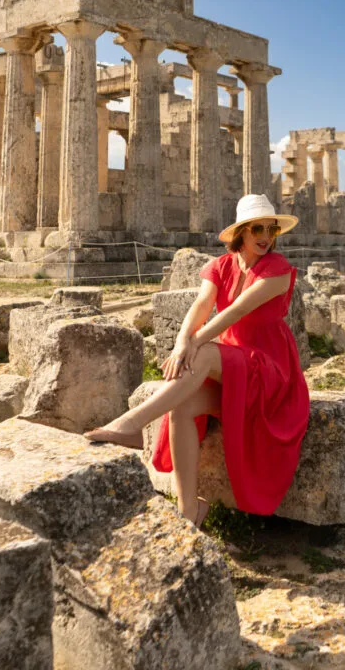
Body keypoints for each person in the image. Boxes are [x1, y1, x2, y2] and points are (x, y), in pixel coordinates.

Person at [85, 194, 310, 529]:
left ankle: (133, 424)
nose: (266, 236)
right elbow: (202, 305)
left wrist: (196, 342)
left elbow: (236, 311)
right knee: (182, 407)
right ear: (242, 233)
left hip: (270, 369)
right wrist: (180, 343)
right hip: (233, 365)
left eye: (271, 229)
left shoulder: (277, 270)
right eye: (257, 229)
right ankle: (190, 509)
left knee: (203, 351)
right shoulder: (221, 266)